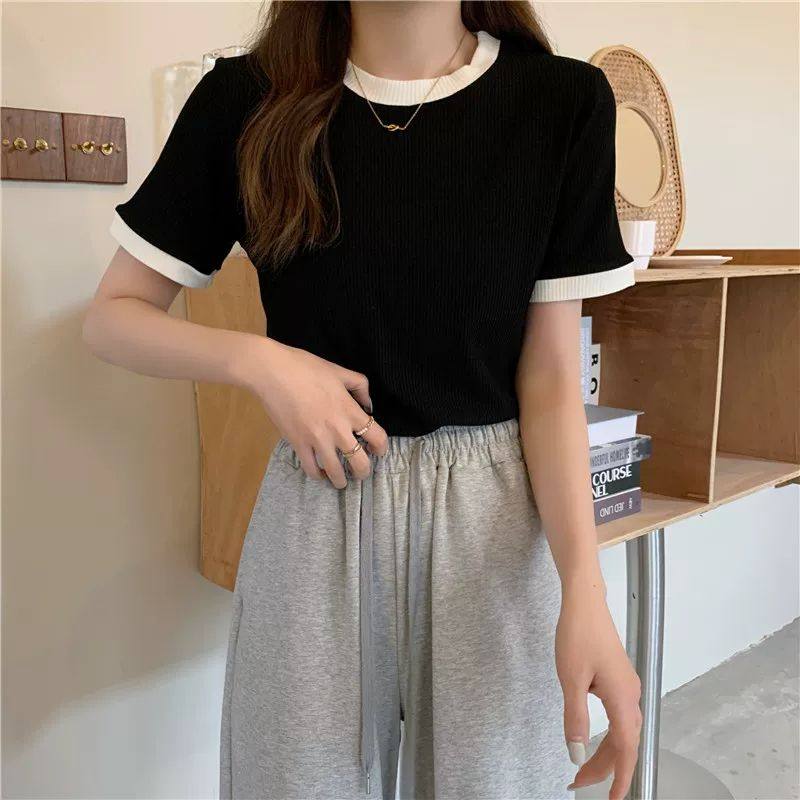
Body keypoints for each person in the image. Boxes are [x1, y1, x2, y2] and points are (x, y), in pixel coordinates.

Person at [83, 1, 643, 798]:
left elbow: (551, 380)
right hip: (319, 510)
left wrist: (584, 587)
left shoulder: (560, 101)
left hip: (493, 525)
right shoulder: (248, 99)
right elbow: (112, 317)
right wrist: (263, 362)